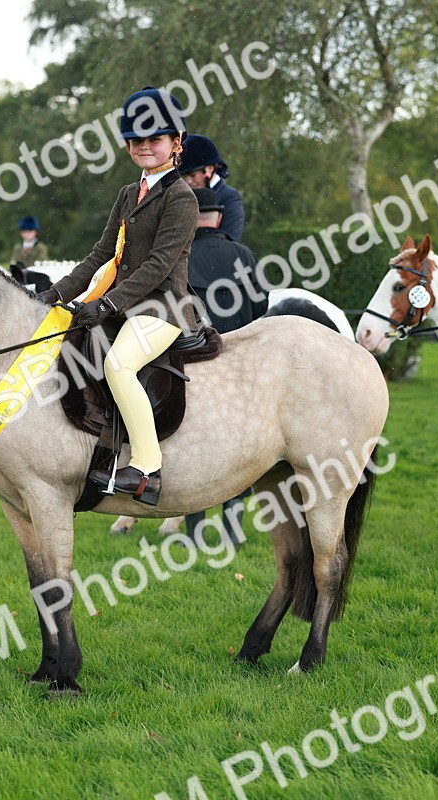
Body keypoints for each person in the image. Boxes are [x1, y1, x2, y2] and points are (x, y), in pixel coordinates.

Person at [36, 86, 200, 505]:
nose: (144, 147)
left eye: (155, 139)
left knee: (120, 364)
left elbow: (157, 266)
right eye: (136, 140)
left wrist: (107, 304)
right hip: (127, 306)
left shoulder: (182, 198)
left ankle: (147, 469)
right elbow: (100, 255)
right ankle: (100, 452)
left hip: (163, 307)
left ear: (176, 143)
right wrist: (53, 294)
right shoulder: (129, 194)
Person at [183, 187, 265, 545]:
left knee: (191, 450)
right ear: (218, 218)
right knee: (241, 450)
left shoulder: (179, 255)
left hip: (192, 364)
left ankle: (195, 533)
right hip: (240, 367)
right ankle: (233, 531)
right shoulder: (243, 254)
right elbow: (262, 306)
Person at [178, 134, 245, 242]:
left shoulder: (230, 197)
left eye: (193, 175)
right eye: (184, 176)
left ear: (209, 168)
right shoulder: (183, 198)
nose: (188, 181)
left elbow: (231, 241)